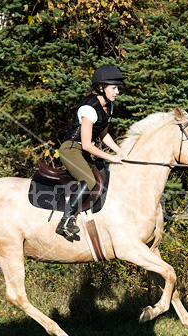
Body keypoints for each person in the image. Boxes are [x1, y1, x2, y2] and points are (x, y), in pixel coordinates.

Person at [55, 64, 125, 239]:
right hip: (71, 149)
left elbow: (103, 133)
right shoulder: (89, 108)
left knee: (104, 171)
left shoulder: (108, 106)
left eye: (117, 88)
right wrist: (111, 157)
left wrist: (121, 151)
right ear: (101, 88)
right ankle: (66, 220)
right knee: (88, 179)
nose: (117, 92)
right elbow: (86, 145)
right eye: (114, 88)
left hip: (82, 151)